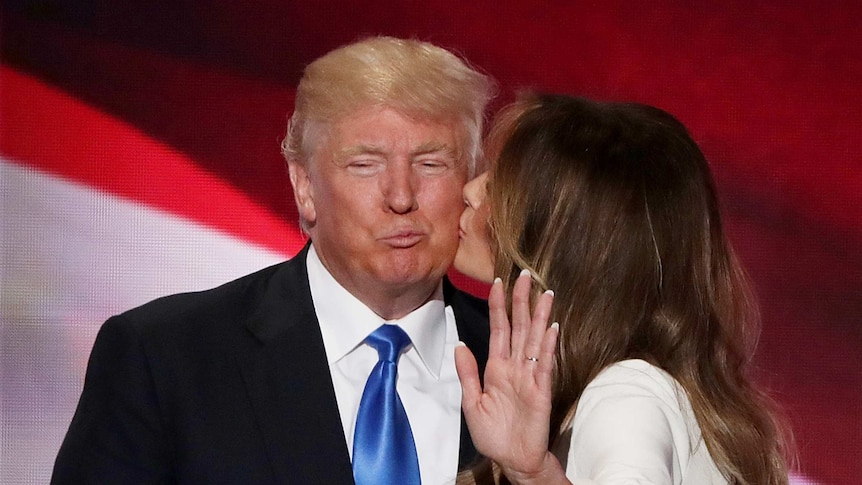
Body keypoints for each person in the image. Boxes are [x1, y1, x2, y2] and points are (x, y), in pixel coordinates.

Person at [52, 36, 495, 484]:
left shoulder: (535, 364)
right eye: (365, 164)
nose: (401, 197)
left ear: (472, 180)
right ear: (305, 186)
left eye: (432, 164)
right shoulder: (162, 359)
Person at [453, 94, 793, 484]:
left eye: (500, 184)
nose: (471, 190)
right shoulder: (619, 390)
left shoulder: (625, 394)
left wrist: (533, 476)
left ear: (564, 237)